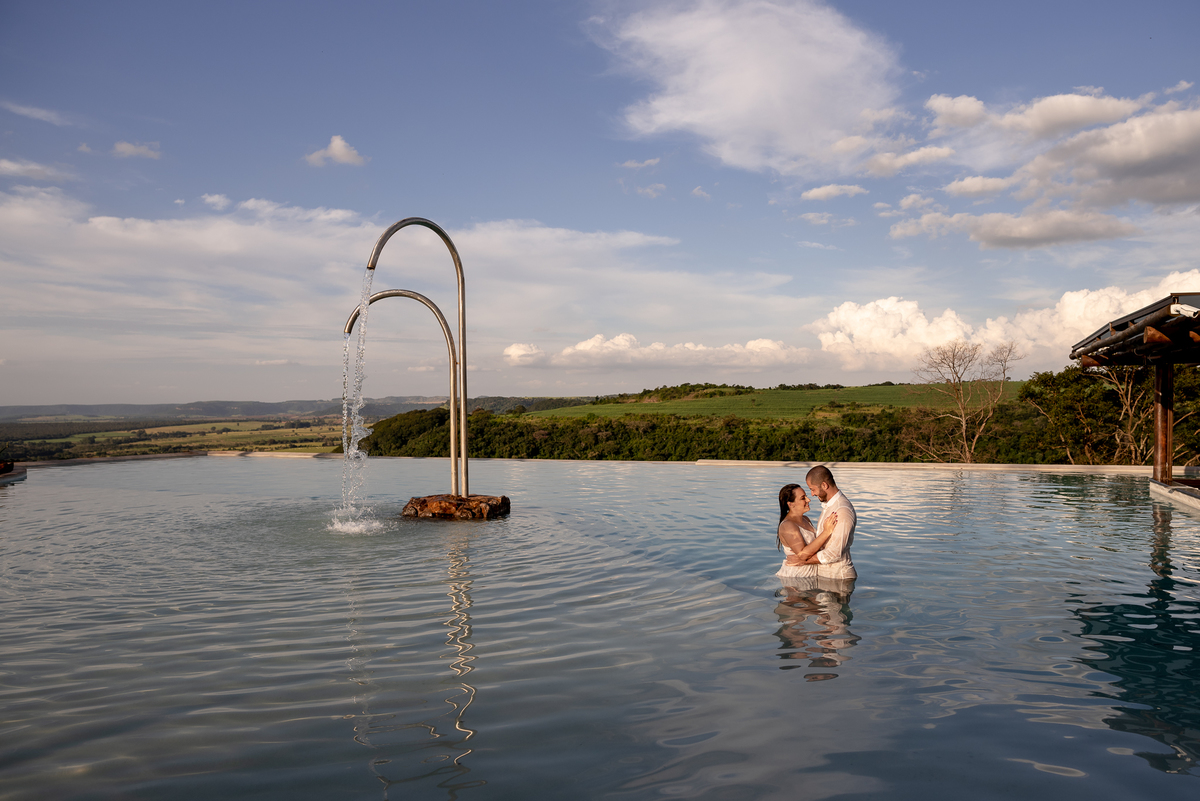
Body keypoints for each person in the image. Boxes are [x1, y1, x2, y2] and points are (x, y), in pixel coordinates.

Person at [775, 483, 838, 583]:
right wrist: (826, 532)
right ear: (791, 504)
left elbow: (810, 551)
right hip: (795, 577)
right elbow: (803, 555)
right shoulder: (787, 526)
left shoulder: (806, 519)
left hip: (810, 575)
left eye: (806, 496)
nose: (808, 500)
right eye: (803, 498)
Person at [804, 465, 857, 581]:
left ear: (824, 485)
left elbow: (835, 552)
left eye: (812, 489)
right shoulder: (830, 506)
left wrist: (803, 560)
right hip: (828, 577)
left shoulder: (842, 509)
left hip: (839, 579)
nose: (812, 494)